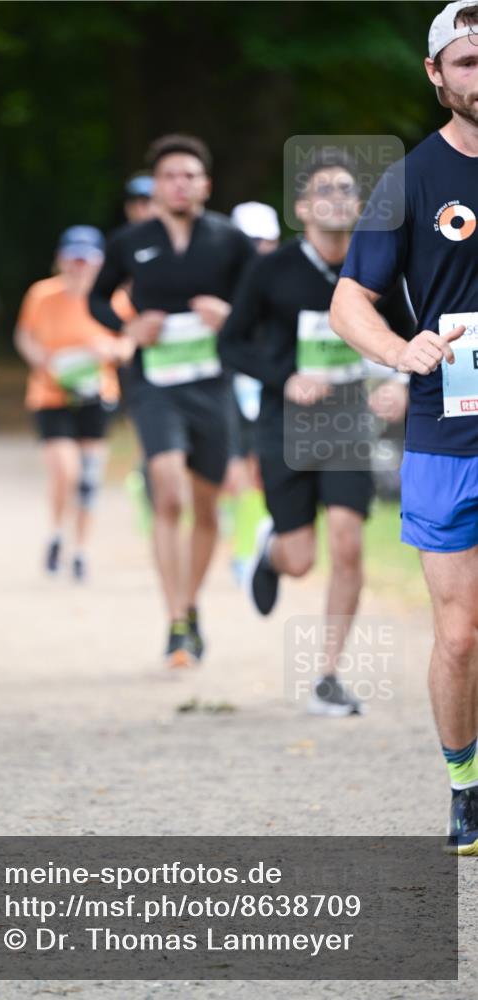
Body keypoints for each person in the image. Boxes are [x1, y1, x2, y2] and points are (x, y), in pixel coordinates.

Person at [330, 1, 478, 852]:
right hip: (448, 430)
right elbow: (350, 299)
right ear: (434, 75)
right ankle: (464, 781)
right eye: (465, 62)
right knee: (459, 633)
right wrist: (400, 349)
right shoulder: (410, 180)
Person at [220, 148, 414, 716]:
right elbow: (231, 344)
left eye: (347, 191)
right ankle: (271, 550)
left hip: (351, 427)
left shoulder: (377, 266)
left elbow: (408, 337)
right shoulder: (271, 270)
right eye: (324, 190)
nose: (337, 199)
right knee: (302, 558)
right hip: (286, 427)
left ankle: (327, 675)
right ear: (302, 206)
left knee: (349, 542)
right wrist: (286, 377)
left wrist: (399, 381)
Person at [89, 134, 255, 668]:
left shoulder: (230, 239)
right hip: (154, 383)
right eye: (169, 176)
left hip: (212, 384)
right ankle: (175, 620)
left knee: (206, 505)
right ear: (156, 187)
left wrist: (229, 315)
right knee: (168, 492)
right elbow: (96, 296)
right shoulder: (130, 241)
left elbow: (260, 301)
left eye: (189, 175)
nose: (179, 184)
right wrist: (129, 324)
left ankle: (190, 606)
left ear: (205, 184)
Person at [15, 227, 131, 581]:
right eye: (73, 258)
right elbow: (25, 336)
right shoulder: (42, 294)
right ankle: (56, 532)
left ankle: (80, 550)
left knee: (89, 479)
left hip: (97, 394)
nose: (79, 266)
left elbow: (127, 345)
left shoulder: (114, 299)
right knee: (67, 470)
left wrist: (107, 350)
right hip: (51, 393)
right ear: (61, 259)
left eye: (86, 259)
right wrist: (45, 361)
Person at [222, 202, 281, 583]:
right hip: (228, 384)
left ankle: (253, 544)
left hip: (271, 386)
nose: (259, 248)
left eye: (265, 240)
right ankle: (239, 550)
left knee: (263, 470)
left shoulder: (285, 280)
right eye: (251, 240)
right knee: (232, 471)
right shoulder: (218, 280)